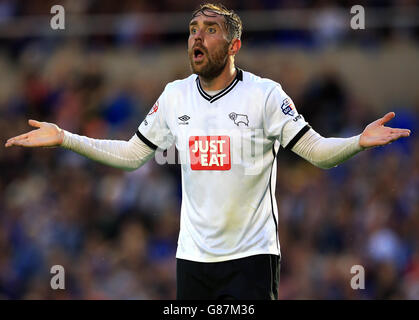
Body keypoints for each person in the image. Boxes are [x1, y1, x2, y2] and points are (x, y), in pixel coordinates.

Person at [5, 3, 411, 300]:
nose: (197, 36)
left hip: (252, 258)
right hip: (193, 260)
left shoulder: (264, 95)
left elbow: (317, 152)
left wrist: (357, 142)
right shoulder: (174, 96)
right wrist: (65, 137)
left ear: (234, 44)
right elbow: (131, 155)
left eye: (210, 29)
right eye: (193, 28)